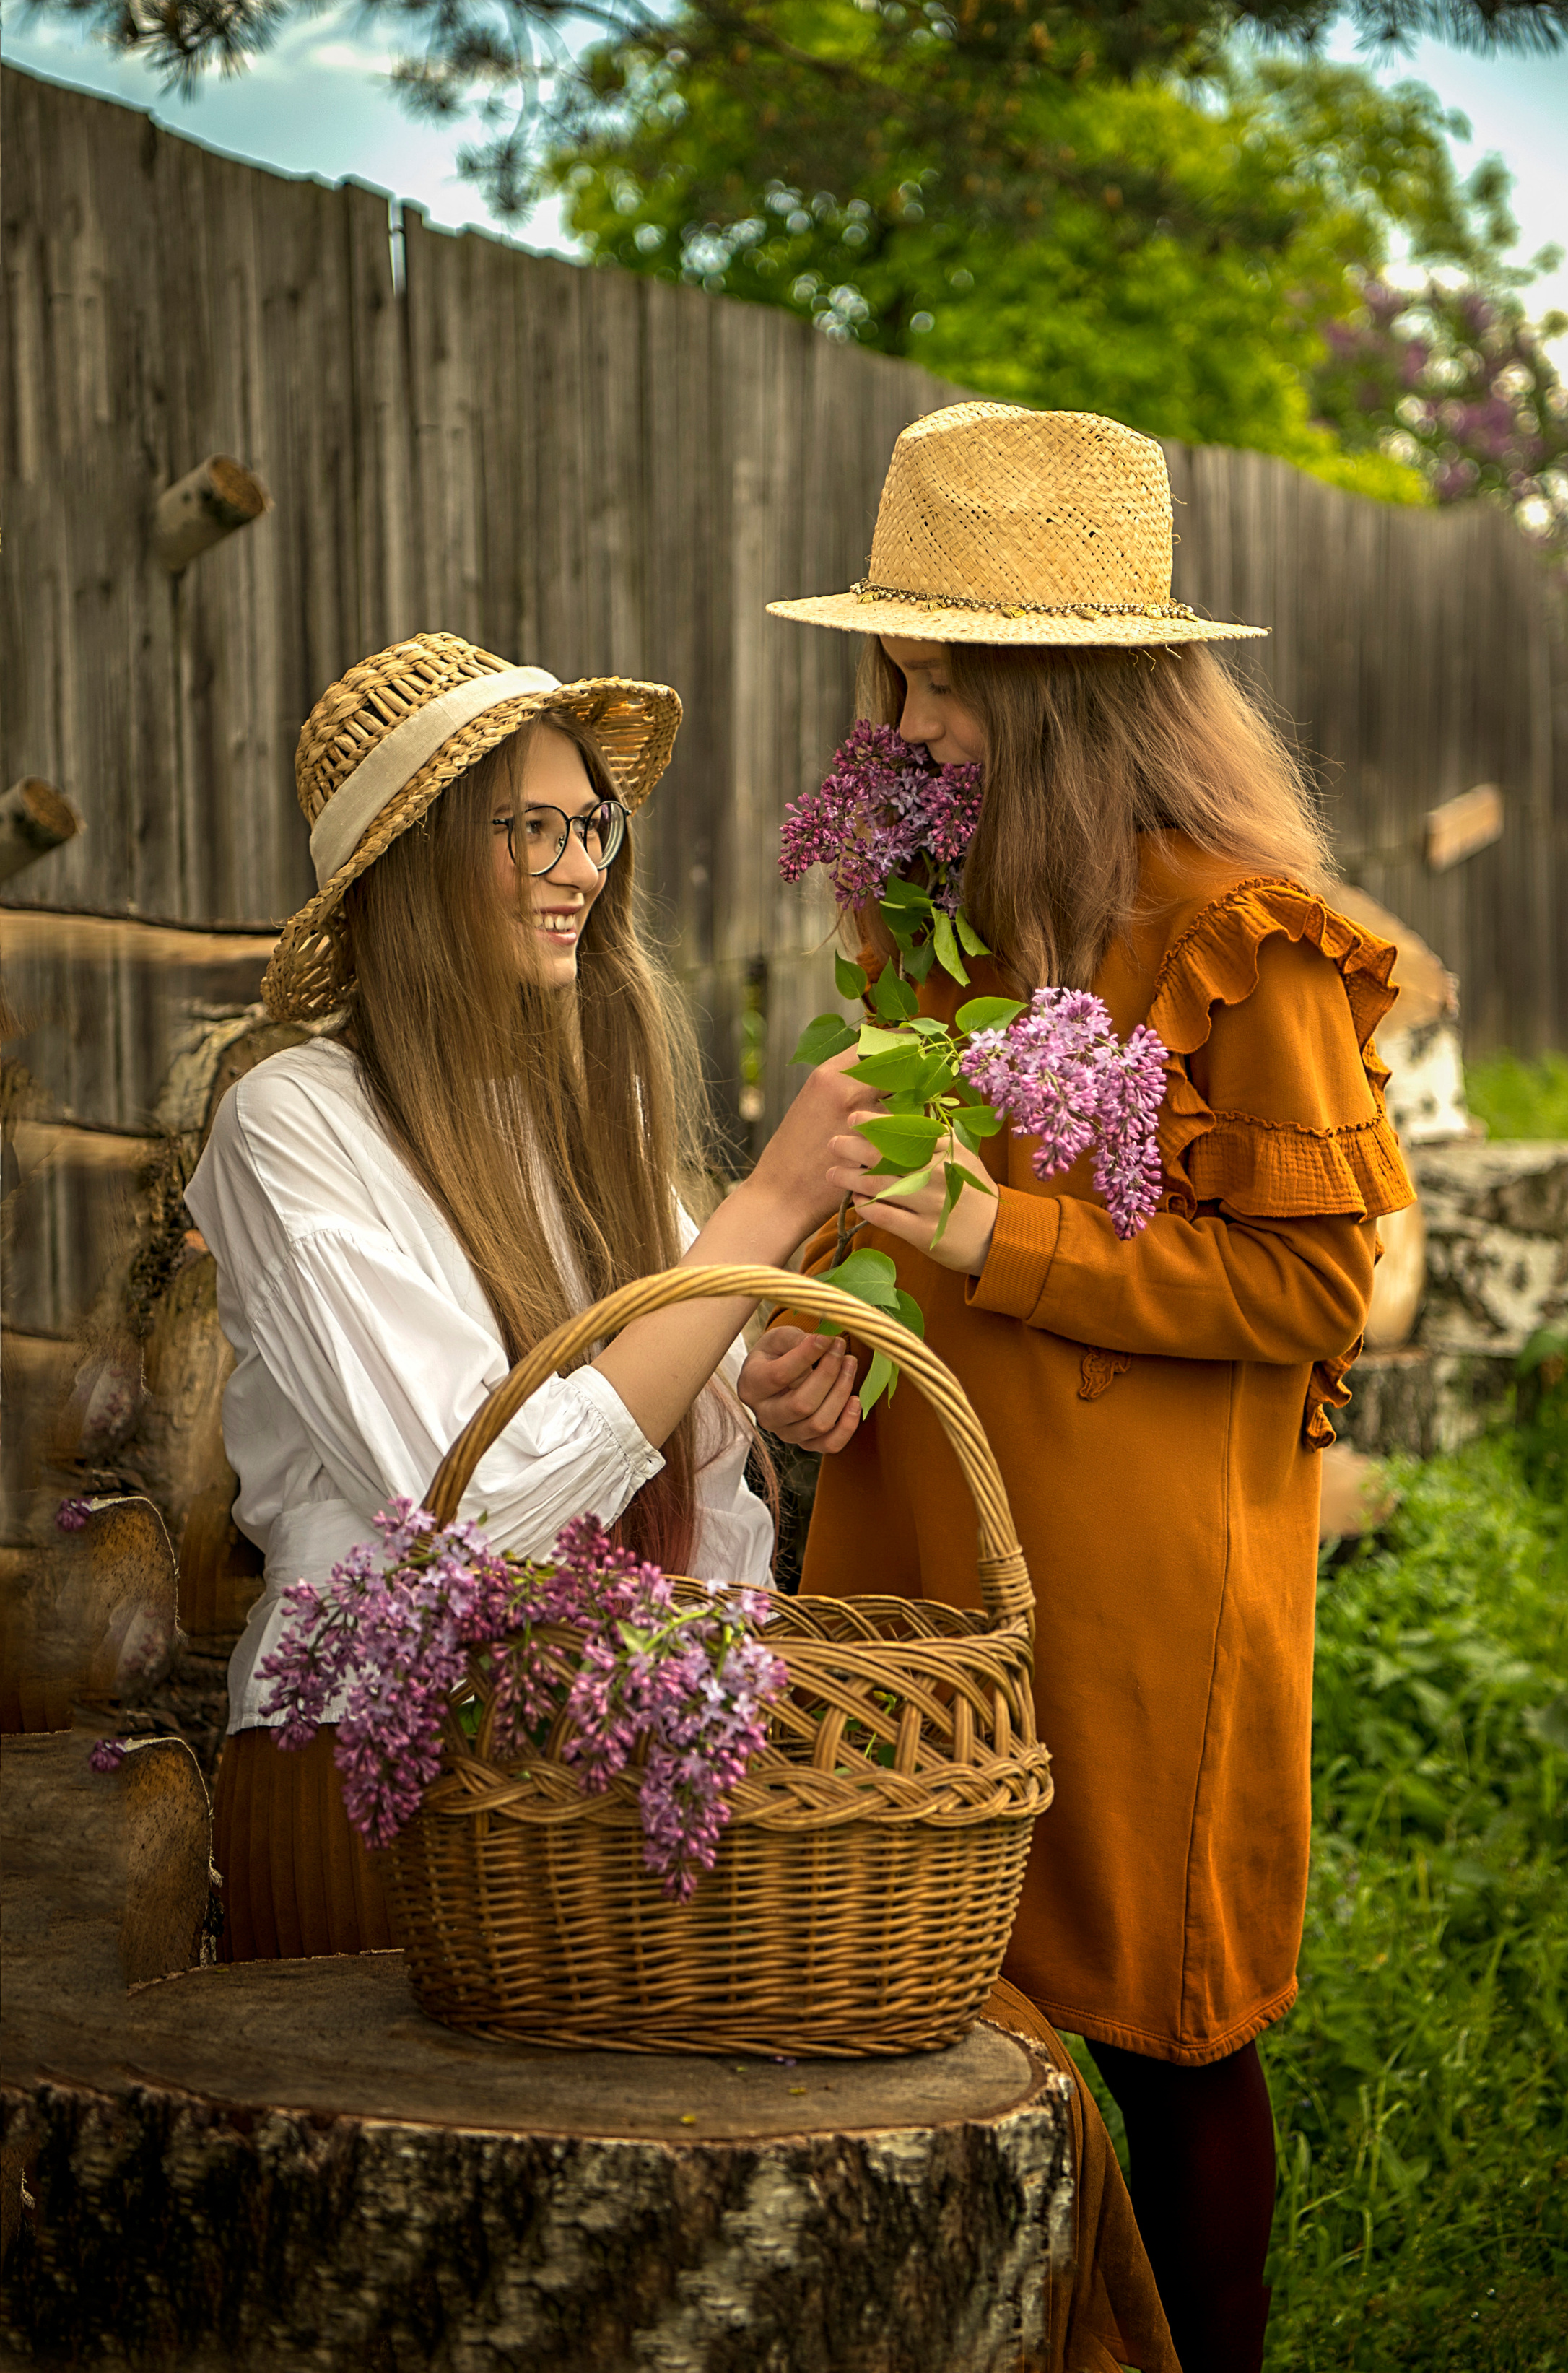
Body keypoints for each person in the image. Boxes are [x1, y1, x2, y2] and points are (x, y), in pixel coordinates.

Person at [743, 401, 1414, 2371]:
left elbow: (1316, 1286)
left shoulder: (1239, 939)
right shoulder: (926, 917)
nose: (910, 721)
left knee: (1157, 2028)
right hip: (922, 1531)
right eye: (898, 668)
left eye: (948, 679)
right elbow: (901, 1203)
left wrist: (988, 1245)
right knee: (931, 1996)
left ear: (1075, 691)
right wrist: (829, 1340)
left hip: (1141, 1591)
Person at [188, 632, 859, 1963]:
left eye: (591, 825)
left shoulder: (582, 1110)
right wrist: (764, 1213)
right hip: (387, 1792)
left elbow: (691, 1457)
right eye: (530, 829)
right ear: (415, 864)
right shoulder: (294, 1125)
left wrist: (765, 1379)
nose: (583, 870)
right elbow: (481, 1521)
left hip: (605, 1780)